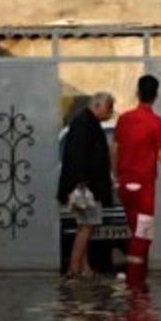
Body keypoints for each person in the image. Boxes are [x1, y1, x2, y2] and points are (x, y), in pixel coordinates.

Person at [112, 75, 161, 289]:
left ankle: (139, 277)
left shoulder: (124, 119)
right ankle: (135, 281)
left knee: (135, 229)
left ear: (138, 93)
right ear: (156, 96)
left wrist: (117, 178)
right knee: (143, 235)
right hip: (144, 187)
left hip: (125, 185)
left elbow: (114, 150)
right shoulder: (157, 123)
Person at [57, 92, 115, 279]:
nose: (111, 112)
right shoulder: (84, 124)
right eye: (109, 107)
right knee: (87, 227)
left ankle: (84, 267)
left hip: (85, 186)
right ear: (98, 106)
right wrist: (82, 184)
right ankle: (74, 269)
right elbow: (79, 156)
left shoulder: (86, 122)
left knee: (85, 226)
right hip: (86, 188)